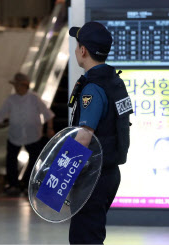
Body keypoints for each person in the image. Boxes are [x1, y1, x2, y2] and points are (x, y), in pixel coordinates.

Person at [68, 22, 132, 244]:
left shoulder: (93, 89)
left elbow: (84, 136)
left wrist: (59, 176)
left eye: (77, 45)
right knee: (92, 233)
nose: (76, 50)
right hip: (109, 172)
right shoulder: (114, 82)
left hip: (93, 176)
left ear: (83, 50)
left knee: (84, 238)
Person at [0, 73, 55, 196]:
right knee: (11, 160)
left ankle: (28, 183)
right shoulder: (11, 99)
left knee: (35, 160)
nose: (17, 87)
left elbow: (48, 114)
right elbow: (0, 115)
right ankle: (14, 185)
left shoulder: (34, 98)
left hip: (33, 135)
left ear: (25, 86)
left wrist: (50, 129)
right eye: (16, 85)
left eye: (18, 85)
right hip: (15, 135)